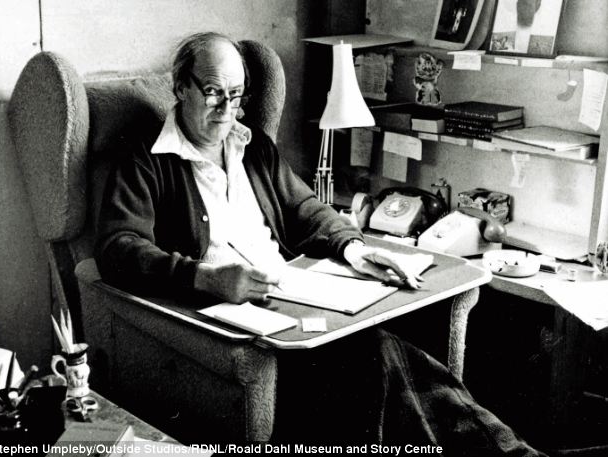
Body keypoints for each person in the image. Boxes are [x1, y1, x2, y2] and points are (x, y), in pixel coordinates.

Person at [96, 32, 547, 456]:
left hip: (296, 303)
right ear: (180, 87)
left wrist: (356, 249)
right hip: (236, 324)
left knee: (395, 354)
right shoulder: (144, 158)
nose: (227, 109)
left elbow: (306, 208)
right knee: (378, 357)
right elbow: (119, 246)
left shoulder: (253, 147)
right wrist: (204, 277)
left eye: (236, 95)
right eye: (214, 92)